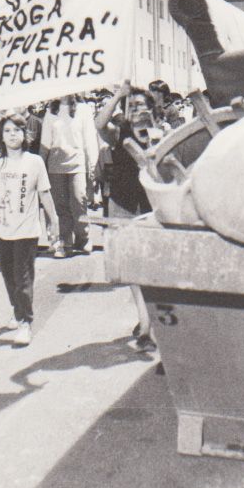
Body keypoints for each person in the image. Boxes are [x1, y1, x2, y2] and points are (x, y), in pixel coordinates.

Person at [0, 114, 59, 347]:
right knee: (8, 277)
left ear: (25, 134)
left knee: (23, 277)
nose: (12, 135)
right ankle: (17, 310)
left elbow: (44, 193)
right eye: (7, 131)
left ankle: (25, 322)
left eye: (17, 130)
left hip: (26, 231)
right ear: (1, 137)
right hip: (2, 229)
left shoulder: (35, 162)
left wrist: (54, 220)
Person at [95, 81, 158, 349]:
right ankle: (145, 323)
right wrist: (118, 95)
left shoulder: (162, 131)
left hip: (152, 203)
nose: (136, 109)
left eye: (141, 104)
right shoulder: (119, 131)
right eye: (131, 105)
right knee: (132, 265)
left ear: (152, 108)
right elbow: (99, 124)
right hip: (123, 201)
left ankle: (150, 325)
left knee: (153, 266)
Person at [40, 94, 98, 257]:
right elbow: (45, 143)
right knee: (60, 205)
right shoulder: (51, 111)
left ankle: (84, 238)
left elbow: (90, 140)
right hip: (56, 164)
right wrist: (39, 166)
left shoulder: (84, 110)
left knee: (79, 201)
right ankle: (65, 241)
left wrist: (92, 165)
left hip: (78, 163)